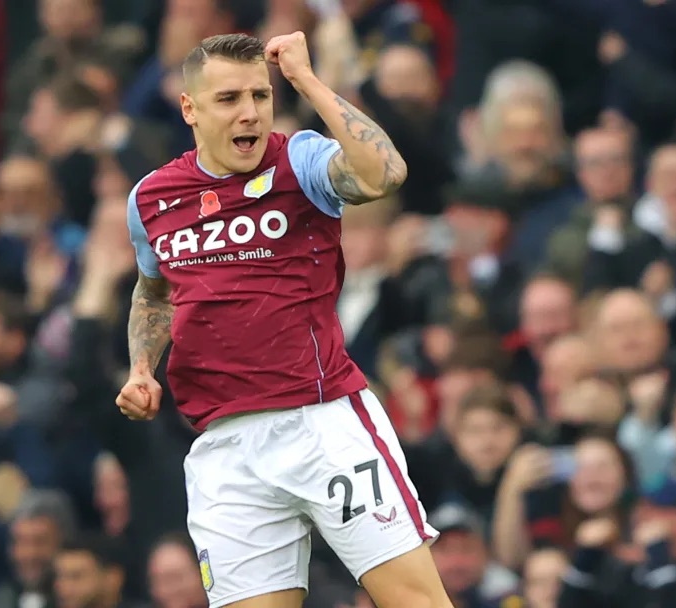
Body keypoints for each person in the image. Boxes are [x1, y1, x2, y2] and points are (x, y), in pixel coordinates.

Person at [118, 30, 450, 608]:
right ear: (189, 109)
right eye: (229, 99)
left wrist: (307, 80)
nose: (249, 113)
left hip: (320, 423)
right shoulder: (150, 198)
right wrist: (142, 367)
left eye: (261, 95)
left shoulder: (300, 159)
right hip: (224, 447)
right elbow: (154, 292)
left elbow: (384, 174)